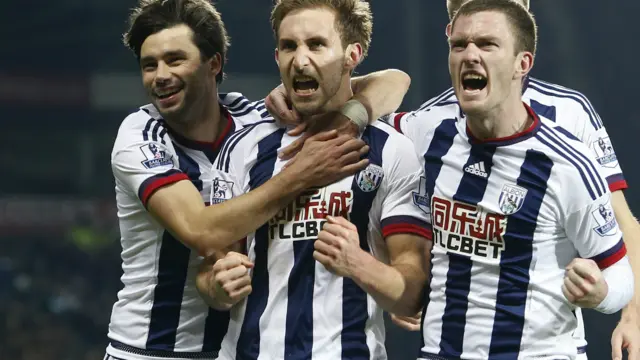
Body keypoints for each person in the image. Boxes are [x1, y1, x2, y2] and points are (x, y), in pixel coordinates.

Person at [106, 0, 413, 359]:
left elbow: (393, 81)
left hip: (234, 345)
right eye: (149, 65)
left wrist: (349, 119)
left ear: (214, 64)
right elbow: (202, 231)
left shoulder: (251, 122)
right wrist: (302, 173)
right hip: (153, 349)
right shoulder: (140, 136)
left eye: (175, 60)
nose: (160, 75)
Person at [373, 0, 631, 358]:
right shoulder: (430, 127)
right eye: (460, 45)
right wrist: (398, 277)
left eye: (487, 43)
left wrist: (609, 299)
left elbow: (619, 246)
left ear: (522, 60)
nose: (470, 55)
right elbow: (358, 130)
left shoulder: (570, 139)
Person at [196, 0, 430, 358]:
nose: (300, 60)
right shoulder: (244, 147)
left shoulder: (392, 151)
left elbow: (412, 293)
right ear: (276, 56)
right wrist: (218, 286)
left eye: (316, 45)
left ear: (353, 54)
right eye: (289, 46)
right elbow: (211, 268)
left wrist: (359, 262)